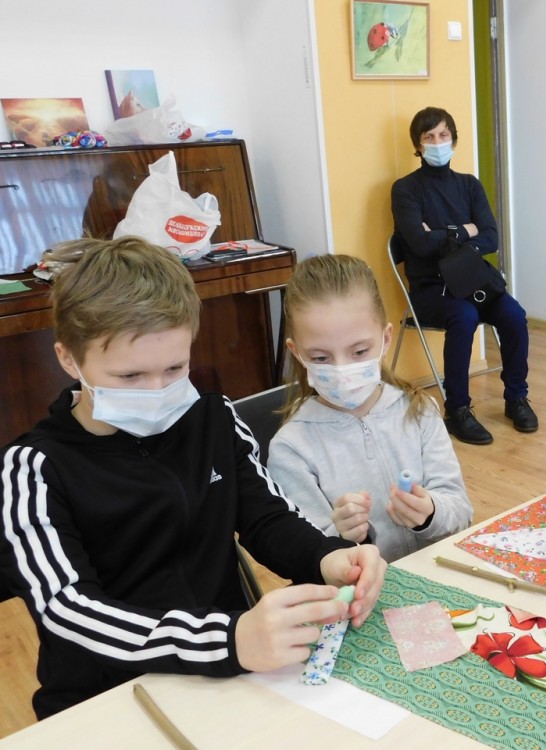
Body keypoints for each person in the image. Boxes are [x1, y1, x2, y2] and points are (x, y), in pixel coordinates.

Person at [0, 237, 387, 719]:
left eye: (175, 368)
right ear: (69, 360)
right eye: (129, 377)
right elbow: (68, 609)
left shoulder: (214, 419)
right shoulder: (34, 468)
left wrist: (327, 556)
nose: (157, 391)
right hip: (108, 695)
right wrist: (227, 639)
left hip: (224, 675)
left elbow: (267, 517)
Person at [267, 254, 473, 563]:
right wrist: (344, 537)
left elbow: (460, 512)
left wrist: (430, 512)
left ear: (385, 339)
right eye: (321, 358)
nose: (341, 370)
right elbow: (308, 556)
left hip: (437, 575)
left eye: (359, 351)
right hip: (365, 589)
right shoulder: (291, 448)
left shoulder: (419, 411)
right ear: (297, 353)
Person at [391, 106, 537, 446]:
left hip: (473, 281)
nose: (437, 142)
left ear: (454, 140)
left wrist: (440, 233)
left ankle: (516, 397)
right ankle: (457, 410)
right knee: (465, 316)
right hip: (431, 289)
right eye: (429, 137)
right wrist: (464, 231)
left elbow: (491, 237)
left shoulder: (469, 185)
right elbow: (418, 244)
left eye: (443, 135)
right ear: (418, 145)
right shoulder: (405, 190)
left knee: (514, 315)